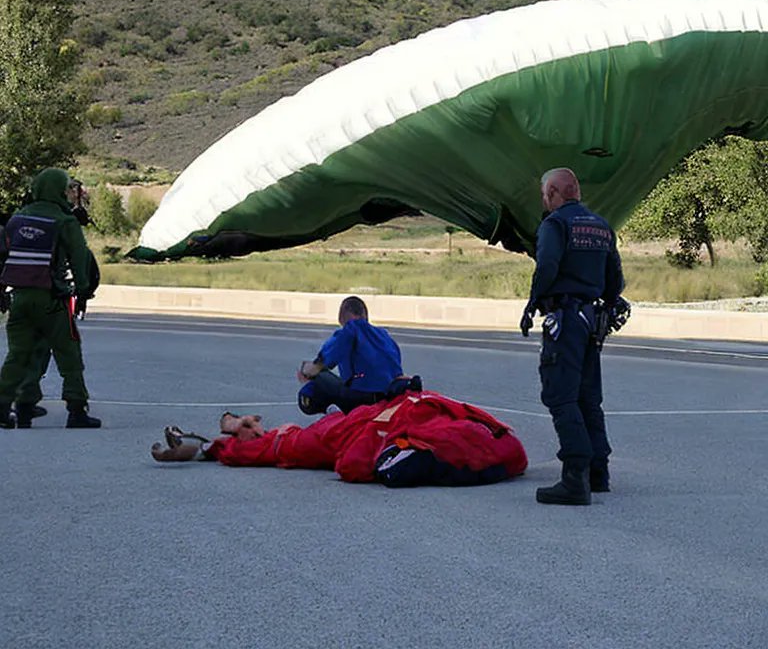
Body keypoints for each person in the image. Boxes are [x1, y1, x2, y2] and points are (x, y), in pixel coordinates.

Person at [150, 389, 529, 487]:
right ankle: (219, 442)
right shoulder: (495, 442)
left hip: (362, 419)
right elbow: (353, 466)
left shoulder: (440, 412)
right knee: (285, 443)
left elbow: (353, 465)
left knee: (287, 440)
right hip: (357, 426)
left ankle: (225, 437)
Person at [520, 167, 626, 505]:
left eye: (544, 195)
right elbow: (616, 281)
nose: (544, 201)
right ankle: (599, 474)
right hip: (592, 321)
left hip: (565, 320)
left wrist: (532, 303)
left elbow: (547, 265)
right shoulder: (601, 226)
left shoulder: (555, 224)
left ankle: (574, 477)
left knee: (561, 395)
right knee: (588, 397)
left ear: (553, 192)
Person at [0, 168, 101, 429]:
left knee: (19, 354)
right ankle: (77, 409)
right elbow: (80, 258)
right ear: (57, 190)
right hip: (52, 300)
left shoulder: (17, 219)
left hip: (19, 298)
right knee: (68, 353)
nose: (70, 193)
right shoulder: (64, 221)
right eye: (68, 188)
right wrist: (83, 290)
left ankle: (13, 407)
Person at [296, 295, 418, 415]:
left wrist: (307, 372)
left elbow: (326, 357)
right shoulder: (384, 335)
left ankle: (337, 416)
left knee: (314, 384)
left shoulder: (351, 329)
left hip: (362, 397)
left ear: (343, 316)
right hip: (388, 396)